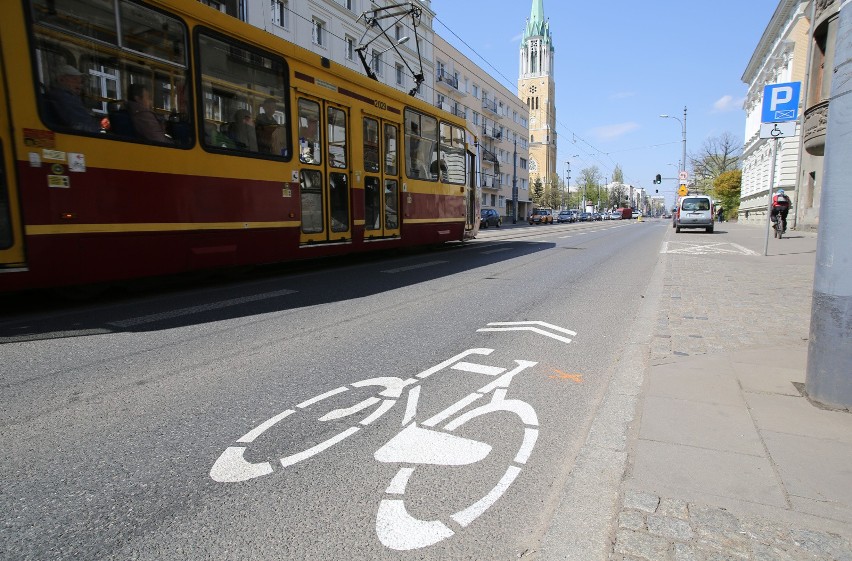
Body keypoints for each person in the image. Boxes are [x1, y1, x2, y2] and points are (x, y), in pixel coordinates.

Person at [47, 65, 101, 132]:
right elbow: (83, 126)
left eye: (81, 82)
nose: (80, 85)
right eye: (75, 79)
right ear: (61, 80)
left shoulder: (67, 97)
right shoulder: (63, 98)